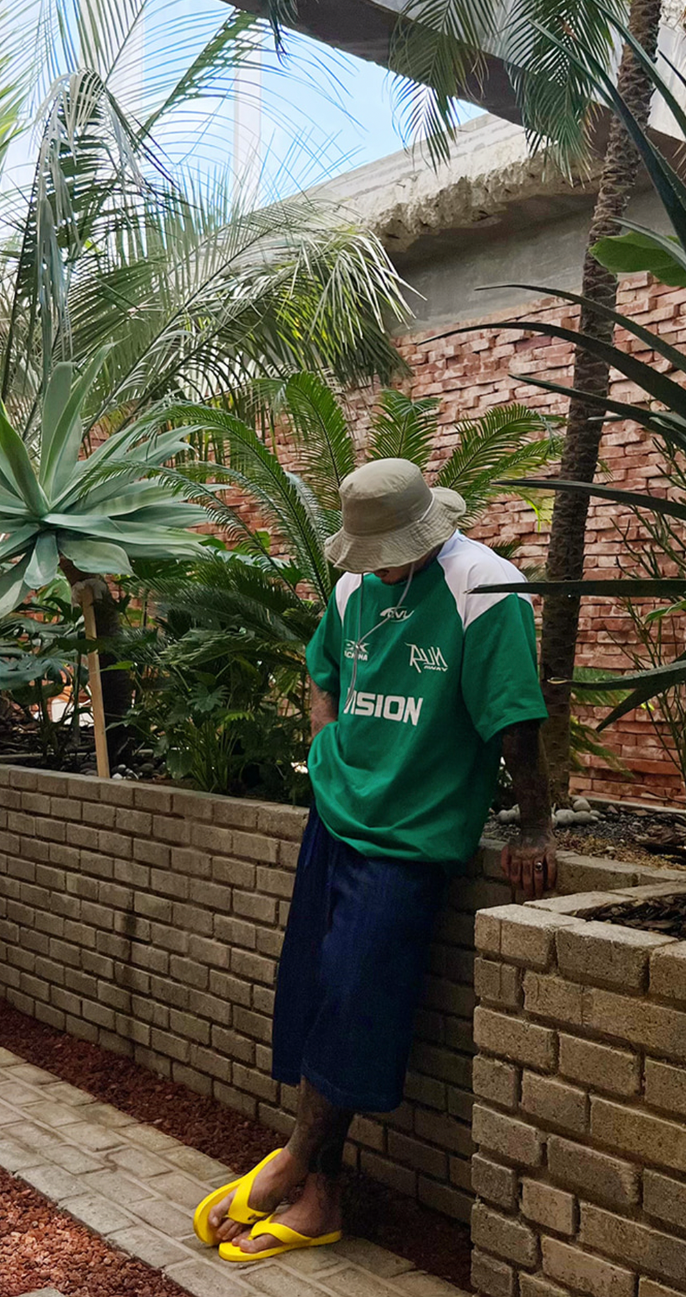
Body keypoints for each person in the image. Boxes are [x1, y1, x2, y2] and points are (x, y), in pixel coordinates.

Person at [193, 458, 556, 1263]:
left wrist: (535, 826)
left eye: (389, 551)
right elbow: (322, 669)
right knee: (318, 992)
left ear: (426, 531)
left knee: (358, 996)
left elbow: (516, 716)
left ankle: (292, 1161)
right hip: (335, 816)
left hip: (411, 833)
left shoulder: (485, 587)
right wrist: (325, 745)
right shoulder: (354, 584)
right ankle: (320, 1197)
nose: (376, 565)